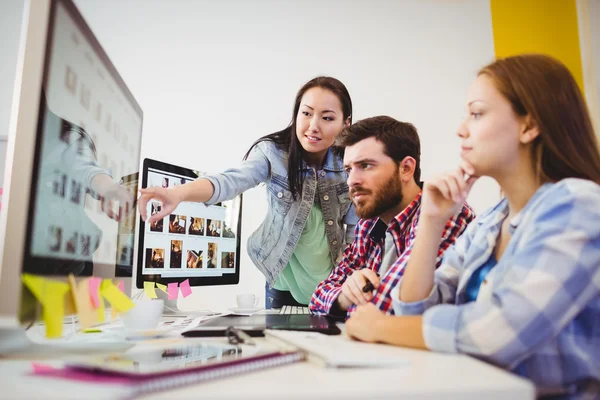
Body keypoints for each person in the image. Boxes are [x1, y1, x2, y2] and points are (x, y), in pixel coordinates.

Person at [345, 54, 600, 398]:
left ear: (529, 125)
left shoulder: (578, 204)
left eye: (477, 113)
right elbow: (415, 310)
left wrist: (381, 326)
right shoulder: (492, 222)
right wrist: (432, 221)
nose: (461, 128)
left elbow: (498, 333)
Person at [139, 76, 358, 308]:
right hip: (283, 282)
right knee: (280, 344)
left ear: (345, 123)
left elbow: (356, 229)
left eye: (327, 118)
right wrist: (179, 193)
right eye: (306, 113)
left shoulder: (350, 162)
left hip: (332, 282)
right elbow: (230, 181)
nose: (314, 125)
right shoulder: (272, 153)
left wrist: (349, 272)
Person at [310, 116, 475, 317]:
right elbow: (317, 298)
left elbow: (388, 311)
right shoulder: (368, 225)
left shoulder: (444, 214)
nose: (352, 181)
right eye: (348, 169)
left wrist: (355, 298)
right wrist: (344, 296)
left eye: (366, 166)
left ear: (406, 169)